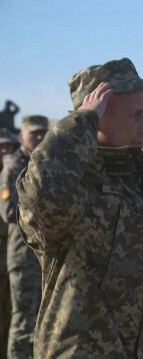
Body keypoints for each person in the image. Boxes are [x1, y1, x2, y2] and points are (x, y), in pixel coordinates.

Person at [16, 58, 143, 358]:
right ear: (99, 115)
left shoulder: (142, 183)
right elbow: (43, 200)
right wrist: (81, 121)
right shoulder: (76, 184)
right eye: (137, 114)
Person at [1, 115, 48, 359]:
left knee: (40, 322)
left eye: (43, 133)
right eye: (34, 134)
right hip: (22, 257)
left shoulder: (44, 163)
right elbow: (8, 211)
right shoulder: (14, 166)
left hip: (42, 257)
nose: (40, 138)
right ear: (21, 136)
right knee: (22, 322)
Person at [0, 128, 19, 359]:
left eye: (8, 147)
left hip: (11, 251)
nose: (5, 151)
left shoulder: (16, 175)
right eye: (1, 147)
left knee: (13, 310)